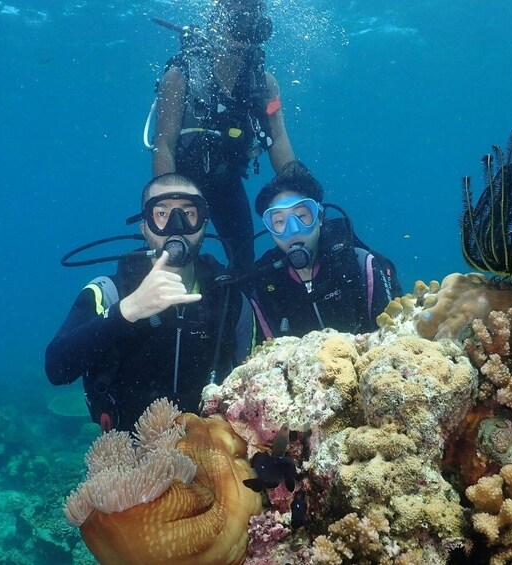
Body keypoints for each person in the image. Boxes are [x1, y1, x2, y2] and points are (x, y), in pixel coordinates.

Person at [45, 174, 255, 432]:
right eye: (162, 213)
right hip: (128, 458)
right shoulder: (109, 291)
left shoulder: (230, 300)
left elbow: (254, 380)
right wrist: (128, 309)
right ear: (144, 226)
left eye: (189, 213)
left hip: (214, 453)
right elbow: (56, 369)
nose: (176, 226)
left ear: (203, 224)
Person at [152, 0, 296, 272]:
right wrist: (168, 208)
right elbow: (164, 145)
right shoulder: (180, 75)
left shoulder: (265, 83)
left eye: (253, 24)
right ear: (217, 22)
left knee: (244, 266)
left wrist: (300, 193)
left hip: (227, 184)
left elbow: (278, 139)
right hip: (182, 186)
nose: (245, 32)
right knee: (174, 259)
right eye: (238, 22)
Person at [250, 161, 403, 339]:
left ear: (320, 217)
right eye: (279, 222)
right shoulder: (265, 288)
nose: (293, 229)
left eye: (301, 216)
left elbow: (391, 336)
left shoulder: (360, 265)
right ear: (270, 230)